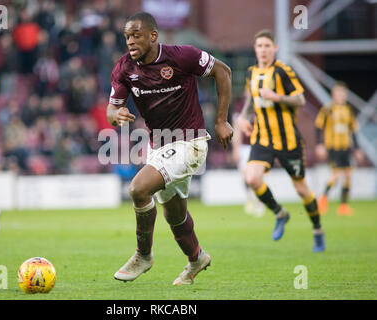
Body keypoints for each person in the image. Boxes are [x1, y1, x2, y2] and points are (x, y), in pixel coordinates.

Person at [106, 12, 233, 285]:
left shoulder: (182, 56)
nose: (130, 41)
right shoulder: (124, 68)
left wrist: (221, 121)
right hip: (158, 146)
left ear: (153, 36)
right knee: (174, 213)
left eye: (136, 35)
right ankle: (197, 258)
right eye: (127, 36)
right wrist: (114, 115)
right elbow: (111, 108)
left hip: (191, 141)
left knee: (138, 189)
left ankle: (143, 255)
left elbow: (223, 71)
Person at [238, 30, 325, 252]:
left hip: (288, 141)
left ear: (274, 48)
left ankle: (317, 230)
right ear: (255, 49)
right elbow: (250, 99)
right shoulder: (251, 73)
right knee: (252, 178)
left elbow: (301, 99)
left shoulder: (282, 71)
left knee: (301, 188)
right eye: (260, 46)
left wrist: (278, 97)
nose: (263, 50)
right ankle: (280, 213)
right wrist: (242, 118)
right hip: (262, 138)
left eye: (267, 45)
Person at [315, 82, 363, 216]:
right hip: (333, 147)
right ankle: (323, 199)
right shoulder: (328, 109)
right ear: (333, 95)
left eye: (343, 93)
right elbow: (318, 127)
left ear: (346, 95)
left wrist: (357, 149)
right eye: (338, 93)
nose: (341, 96)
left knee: (348, 176)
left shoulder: (349, 110)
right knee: (336, 174)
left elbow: (353, 131)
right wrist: (319, 145)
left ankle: (343, 206)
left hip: (346, 146)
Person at [232, 98, 265, 217]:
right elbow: (237, 128)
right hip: (245, 147)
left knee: (257, 176)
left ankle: (260, 201)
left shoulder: (262, 103)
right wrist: (236, 148)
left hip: (258, 144)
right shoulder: (240, 105)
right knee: (246, 176)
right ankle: (250, 198)